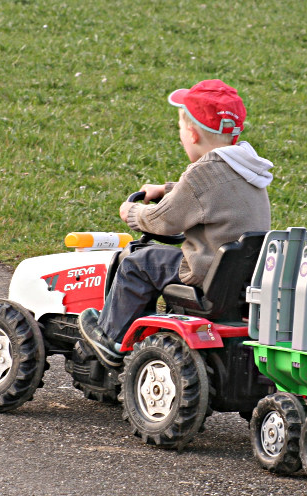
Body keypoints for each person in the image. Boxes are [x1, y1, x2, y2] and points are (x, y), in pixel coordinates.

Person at [79, 79, 273, 367]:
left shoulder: (202, 173)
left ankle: (112, 338)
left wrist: (132, 212)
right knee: (152, 260)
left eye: (180, 129)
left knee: (138, 262)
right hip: (238, 279)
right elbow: (211, 197)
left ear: (192, 134)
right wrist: (167, 189)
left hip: (203, 273)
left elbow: (165, 220)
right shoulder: (246, 166)